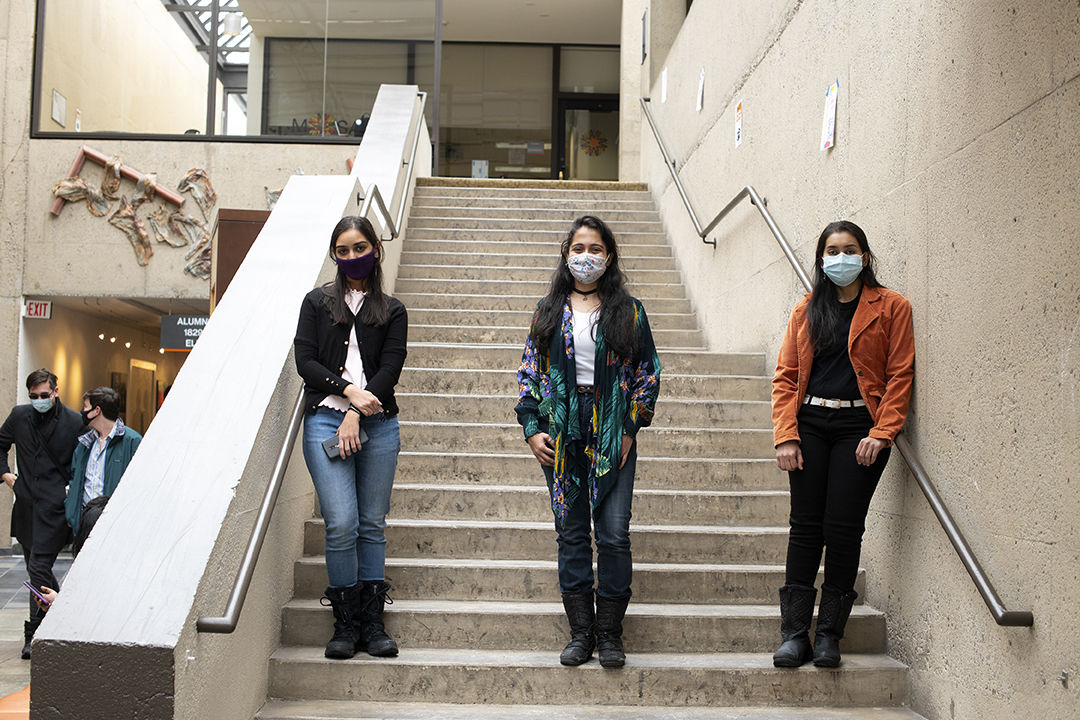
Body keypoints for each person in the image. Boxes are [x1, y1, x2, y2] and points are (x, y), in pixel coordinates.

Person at [515, 215, 661, 668]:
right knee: (572, 534)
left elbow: (647, 375)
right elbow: (530, 376)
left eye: (595, 249)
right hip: (561, 430)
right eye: (578, 248)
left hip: (612, 430)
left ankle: (610, 634)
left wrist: (630, 428)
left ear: (609, 256)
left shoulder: (630, 311)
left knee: (614, 535)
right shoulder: (546, 311)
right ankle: (581, 633)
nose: (586, 257)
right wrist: (532, 428)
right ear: (566, 255)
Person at [771, 220, 915, 668]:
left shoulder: (892, 307)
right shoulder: (806, 310)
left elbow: (900, 376)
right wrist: (786, 436)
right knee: (806, 527)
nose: (840, 258)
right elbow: (786, 378)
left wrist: (883, 431)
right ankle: (795, 634)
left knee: (844, 527)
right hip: (810, 423)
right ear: (820, 259)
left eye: (849, 249)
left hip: (860, 428)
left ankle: (830, 634)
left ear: (865, 256)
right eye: (831, 251)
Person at [294, 215, 408, 660]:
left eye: (360, 248)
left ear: (375, 250)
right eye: (343, 251)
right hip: (325, 419)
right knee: (342, 523)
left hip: (379, 424)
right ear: (334, 256)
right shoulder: (316, 303)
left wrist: (358, 412)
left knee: (371, 525)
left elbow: (390, 369)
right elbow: (305, 361)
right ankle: (344, 623)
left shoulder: (392, 309)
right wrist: (347, 394)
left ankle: (372, 623)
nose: (352, 257)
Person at [0, 368, 82, 659]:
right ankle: (63, 615)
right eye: (33, 396)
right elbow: (1, 444)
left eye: (44, 395)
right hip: (25, 505)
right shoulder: (19, 416)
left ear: (56, 392)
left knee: (37, 568)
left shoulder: (74, 422)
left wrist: (72, 488)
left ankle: (34, 632)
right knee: (39, 570)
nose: (39, 400)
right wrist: (7, 476)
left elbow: (81, 461)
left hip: (55, 508)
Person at [65, 386, 142, 556]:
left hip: (114, 527)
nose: (82, 412)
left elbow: (141, 485)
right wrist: (71, 508)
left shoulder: (132, 441)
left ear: (96, 410)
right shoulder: (85, 443)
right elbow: (75, 477)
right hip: (84, 525)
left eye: (85, 407)